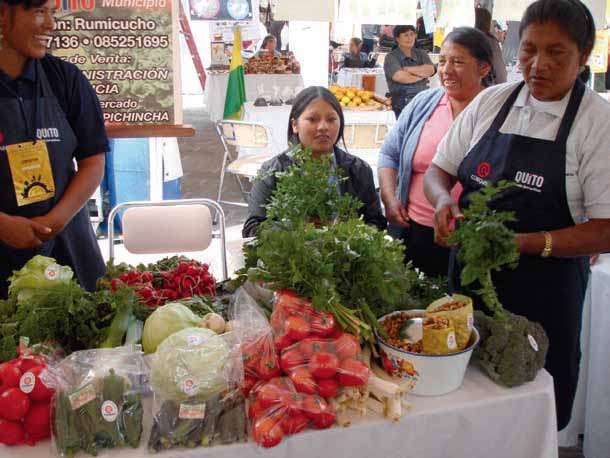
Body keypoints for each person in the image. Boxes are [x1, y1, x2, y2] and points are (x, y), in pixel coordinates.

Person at [423, 0, 610, 430]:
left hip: (547, 293)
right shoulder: (492, 101)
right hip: (468, 283)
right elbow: (439, 171)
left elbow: (603, 230)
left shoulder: (596, 123)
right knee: (462, 405)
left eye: (556, 52)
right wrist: (443, 202)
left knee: (527, 413)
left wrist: (528, 243)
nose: (538, 65)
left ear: (583, 56)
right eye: (528, 50)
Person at [0, 0, 108, 298]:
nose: (50, 24)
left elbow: (92, 160)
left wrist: (54, 221)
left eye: (52, 12)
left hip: (67, 247)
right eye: (38, 11)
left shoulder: (66, 80)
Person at [378, 27, 492, 277]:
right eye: (442, 61)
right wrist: (389, 198)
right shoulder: (424, 103)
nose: (446, 70)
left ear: (483, 68)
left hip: (471, 238)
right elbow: (389, 154)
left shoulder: (495, 114)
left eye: (457, 62)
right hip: (414, 230)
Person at [243, 86, 386, 237]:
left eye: (331, 119)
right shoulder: (272, 171)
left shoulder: (358, 170)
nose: (323, 127)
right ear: (295, 125)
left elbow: (376, 222)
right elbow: (253, 228)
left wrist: (349, 233)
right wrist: (300, 231)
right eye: (312, 119)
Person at [383, 25, 435, 119]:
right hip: (402, 101)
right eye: (406, 35)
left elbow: (430, 70)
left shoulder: (421, 53)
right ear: (397, 38)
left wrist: (408, 69)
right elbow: (400, 77)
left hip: (424, 99)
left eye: (412, 34)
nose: (410, 38)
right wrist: (421, 75)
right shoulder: (391, 57)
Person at [475, 7, 508, 84]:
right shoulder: (490, 42)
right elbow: (501, 74)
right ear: (488, 23)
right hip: (485, 88)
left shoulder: (463, 39)